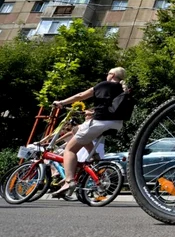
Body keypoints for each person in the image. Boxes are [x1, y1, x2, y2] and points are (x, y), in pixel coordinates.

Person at [49, 67, 127, 197]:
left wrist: (61, 103)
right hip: (117, 124)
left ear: (112, 74)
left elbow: (80, 96)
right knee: (82, 133)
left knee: (70, 149)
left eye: (108, 73)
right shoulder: (122, 88)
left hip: (100, 121)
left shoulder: (104, 85)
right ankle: (95, 156)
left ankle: (69, 180)